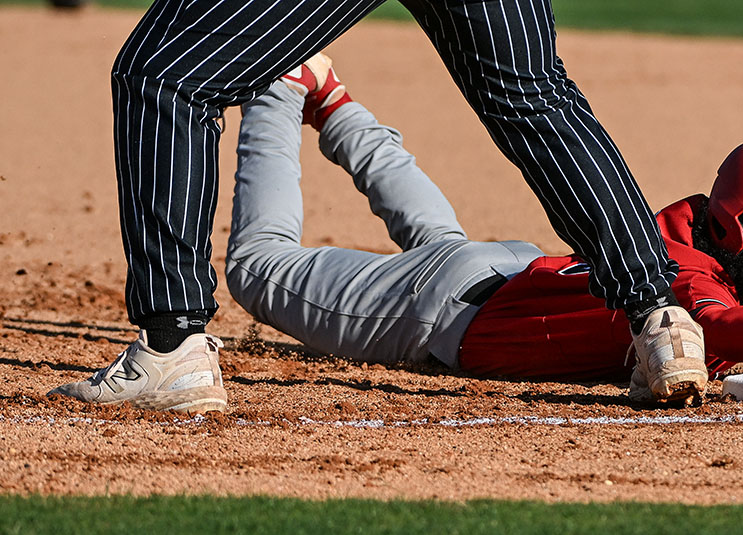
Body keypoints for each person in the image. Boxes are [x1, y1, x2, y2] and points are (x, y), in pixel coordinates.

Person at [51, 57, 743, 411]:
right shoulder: (679, 267)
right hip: (440, 311)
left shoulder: (662, 233)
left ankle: (335, 103)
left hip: (501, 273)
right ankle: (280, 80)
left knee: (435, 236)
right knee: (260, 268)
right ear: (736, 230)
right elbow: (708, 315)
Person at [91, 0, 708, 411]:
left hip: (455, 287)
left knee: (162, 75)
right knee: (533, 94)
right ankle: (659, 316)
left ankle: (171, 342)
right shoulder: (712, 277)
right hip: (483, 271)